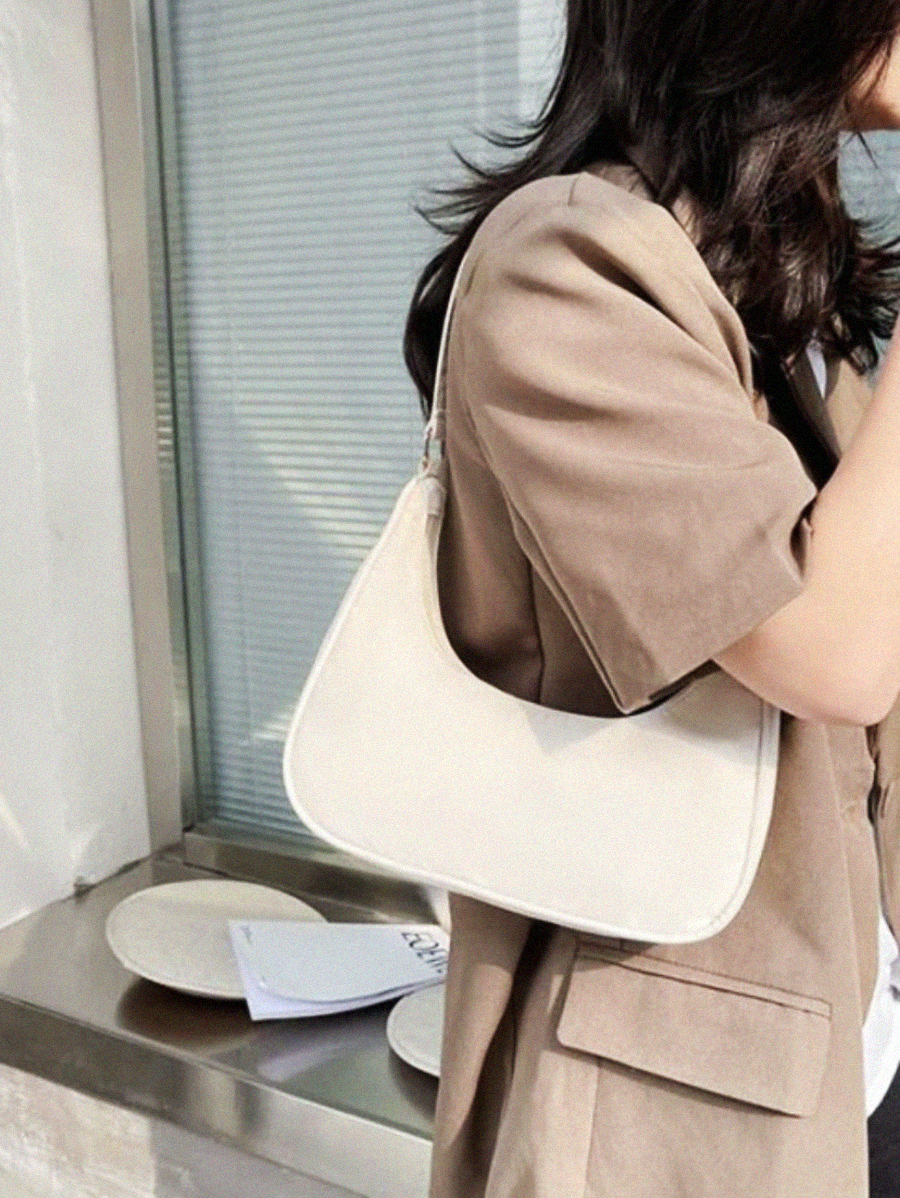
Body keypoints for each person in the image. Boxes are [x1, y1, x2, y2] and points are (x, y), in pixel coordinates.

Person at [403, 3, 900, 1196]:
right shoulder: (565, 265)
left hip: (857, 1060)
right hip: (676, 1112)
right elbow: (832, 652)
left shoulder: (791, 296)